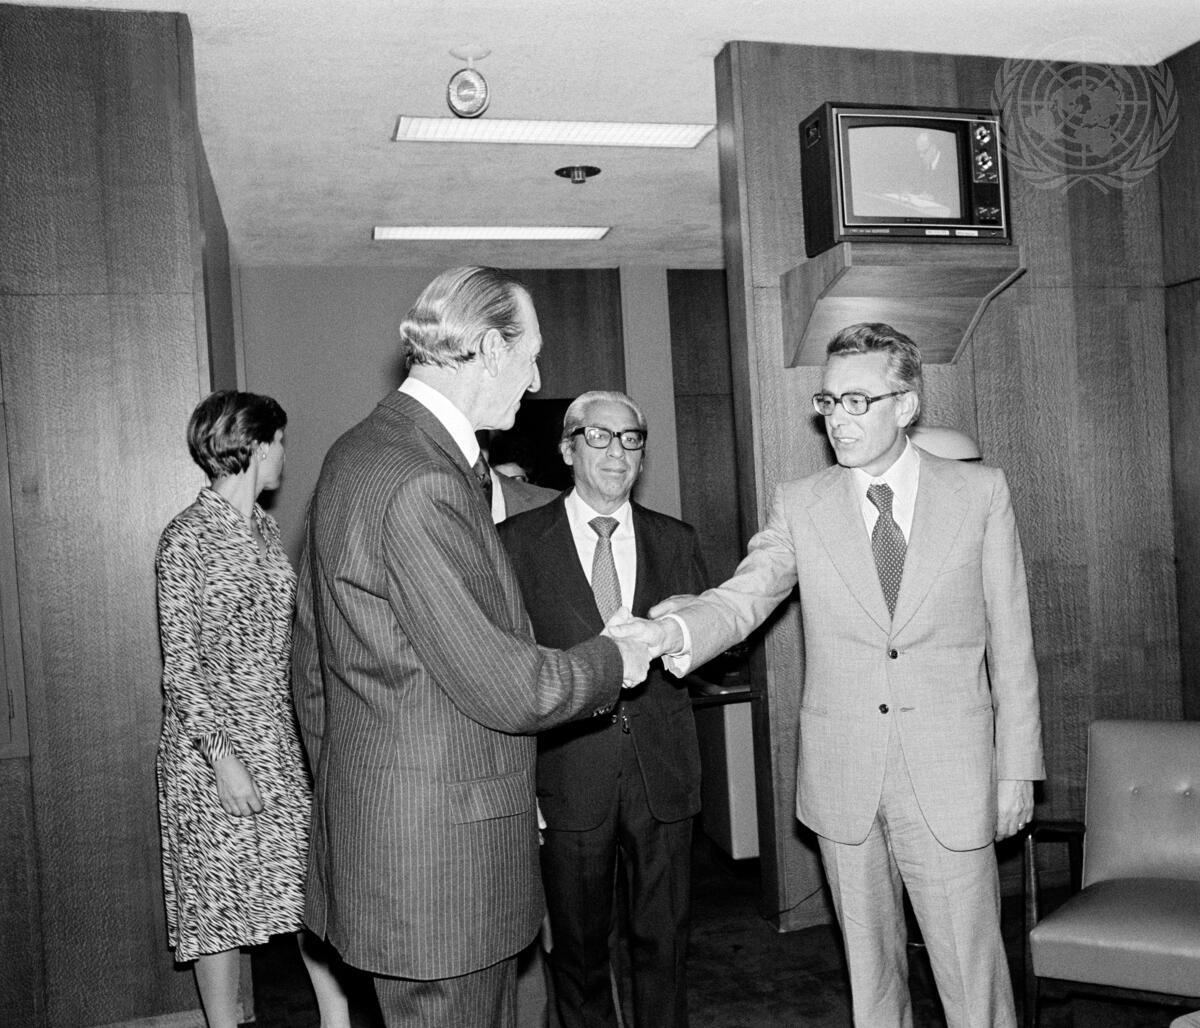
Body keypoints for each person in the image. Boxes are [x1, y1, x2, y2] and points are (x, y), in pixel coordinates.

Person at [623, 322, 1044, 1027]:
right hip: (844, 777)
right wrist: (675, 630)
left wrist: (1017, 770)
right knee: (871, 982)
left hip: (952, 774)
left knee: (973, 979)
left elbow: (1012, 641)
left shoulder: (979, 492)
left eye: (857, 401)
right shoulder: (802, 501)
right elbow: (748, 592)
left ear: (905, 405)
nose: (837, 420)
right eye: (827, 402)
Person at [291, 266, 651, 1027]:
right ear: (489, 349)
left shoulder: (358, 453)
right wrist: (620, 654)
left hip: (399, 849)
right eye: (531, 357)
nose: (537, 379)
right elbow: (513, 688)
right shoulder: (421, 479)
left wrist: (365, 806)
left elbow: (313, 669)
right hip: (442, 873)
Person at [498, 391, 709, 1028]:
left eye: (630, 438)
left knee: (665, 944)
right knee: (579, 953)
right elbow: (505, 671)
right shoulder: (514, 543)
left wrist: (686, 633)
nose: (617, 451)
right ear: (567, 450)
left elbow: (715, 652)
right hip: (567, 777)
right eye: (599, 436)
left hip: (662, 773)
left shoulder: (676, 540)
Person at [154, 391, 348, 1028]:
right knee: (217, 908)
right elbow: (182, 669)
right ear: (257, 444)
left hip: (276, 738)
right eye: (281, 442)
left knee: (307, 891)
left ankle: (337, 1020)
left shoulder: (263, 529)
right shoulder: (186, 538)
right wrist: (223, 760)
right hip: (209, 751)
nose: (285, 455)